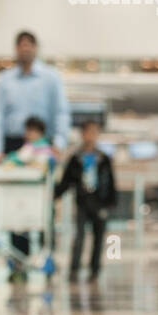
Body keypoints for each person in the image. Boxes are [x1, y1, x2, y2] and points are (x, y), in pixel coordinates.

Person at [0, 31, 70, 281]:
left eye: (28, 45)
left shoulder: (50, 78)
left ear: (35, 48)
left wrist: (58, 142)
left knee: (45, 202)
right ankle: (18, 261)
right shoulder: (6, 80)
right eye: (20, 46)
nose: (24, 50)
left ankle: (47, 255)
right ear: (15, 49)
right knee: (16, 204)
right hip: (14, 144)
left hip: (43, 145)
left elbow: (61, 112)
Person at [54, 120, 116, 282]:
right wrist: (54, 194)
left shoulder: (103, 159)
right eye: (88, 132)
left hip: (100, 202)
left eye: (94, 132)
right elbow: (66, 181)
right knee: (79, 236)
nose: (91, 136)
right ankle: (74, 268)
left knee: (98, 237)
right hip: (82, 202)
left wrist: (110, 202)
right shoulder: (75, 158)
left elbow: (110, 182)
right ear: (82, 134)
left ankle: (94, 269)